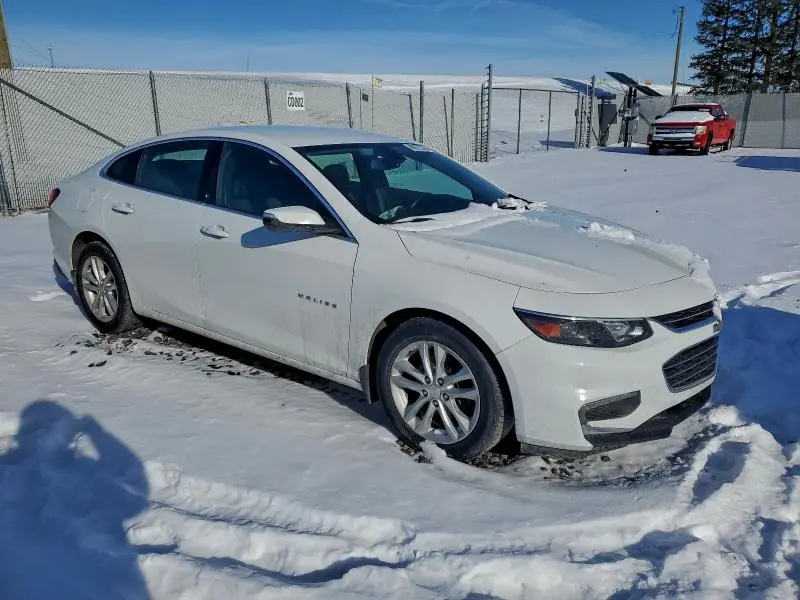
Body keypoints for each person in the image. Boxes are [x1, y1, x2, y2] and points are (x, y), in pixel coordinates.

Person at [0, 400, 150, 599]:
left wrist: (98, 435)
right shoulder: (8, 469)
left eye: (53, 429)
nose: (45, 435)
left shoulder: (85, 471)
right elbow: (135, 493)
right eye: (40, 428)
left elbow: (134, 495)